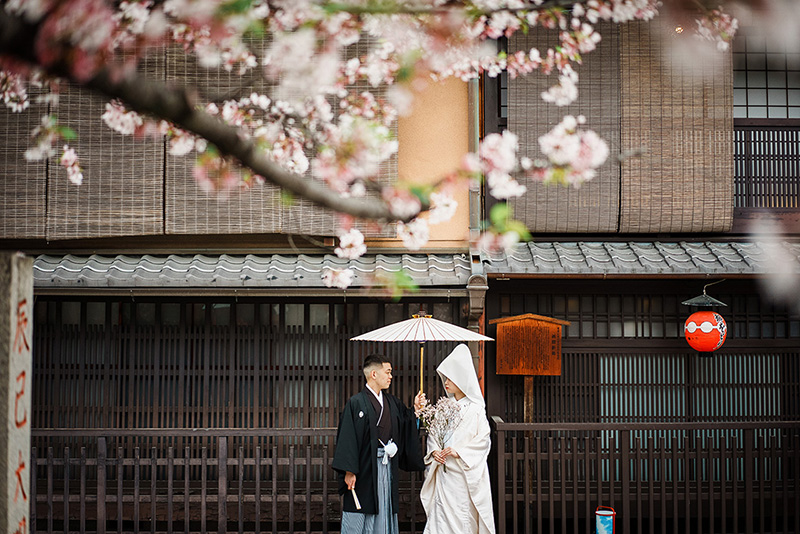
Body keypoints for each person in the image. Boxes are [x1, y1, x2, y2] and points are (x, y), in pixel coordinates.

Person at [333, 353, 426, 534]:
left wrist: (415, 409)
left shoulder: (392, 402)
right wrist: (349, 471)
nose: (391, 376)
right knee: (360, 508)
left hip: (386, 466)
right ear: (374, 374)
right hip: (364, 467)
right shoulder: (356, 403)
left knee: (384, 506)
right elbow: (347, 438)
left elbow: (406, 422)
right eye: (388, 372)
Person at [420, 344, 496, 534]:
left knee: (463, 520)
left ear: (462, 379)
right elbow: (434, 436)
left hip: (463, 476)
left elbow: (483, 441)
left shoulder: (476, 409)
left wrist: (459, 452)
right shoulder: (444, 406)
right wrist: (435, 451)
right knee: (440, 520)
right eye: (445, 377)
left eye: (451, 378)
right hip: (444, 476)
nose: (446, 382)